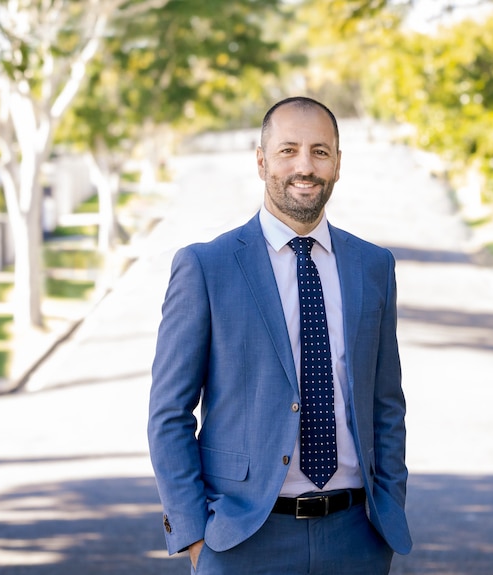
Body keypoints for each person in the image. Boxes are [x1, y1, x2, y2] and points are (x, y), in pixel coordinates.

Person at [148, 96, 411, 574]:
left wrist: (390, 508)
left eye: (320, 151)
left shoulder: (374, 267)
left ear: (337, 165)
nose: (305, 166)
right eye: (288, 150)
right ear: (261, 160)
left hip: (356, 539)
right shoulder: (206, 267)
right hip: (244, 541)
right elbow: (169, 413)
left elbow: (387, 405)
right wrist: (192, 536)